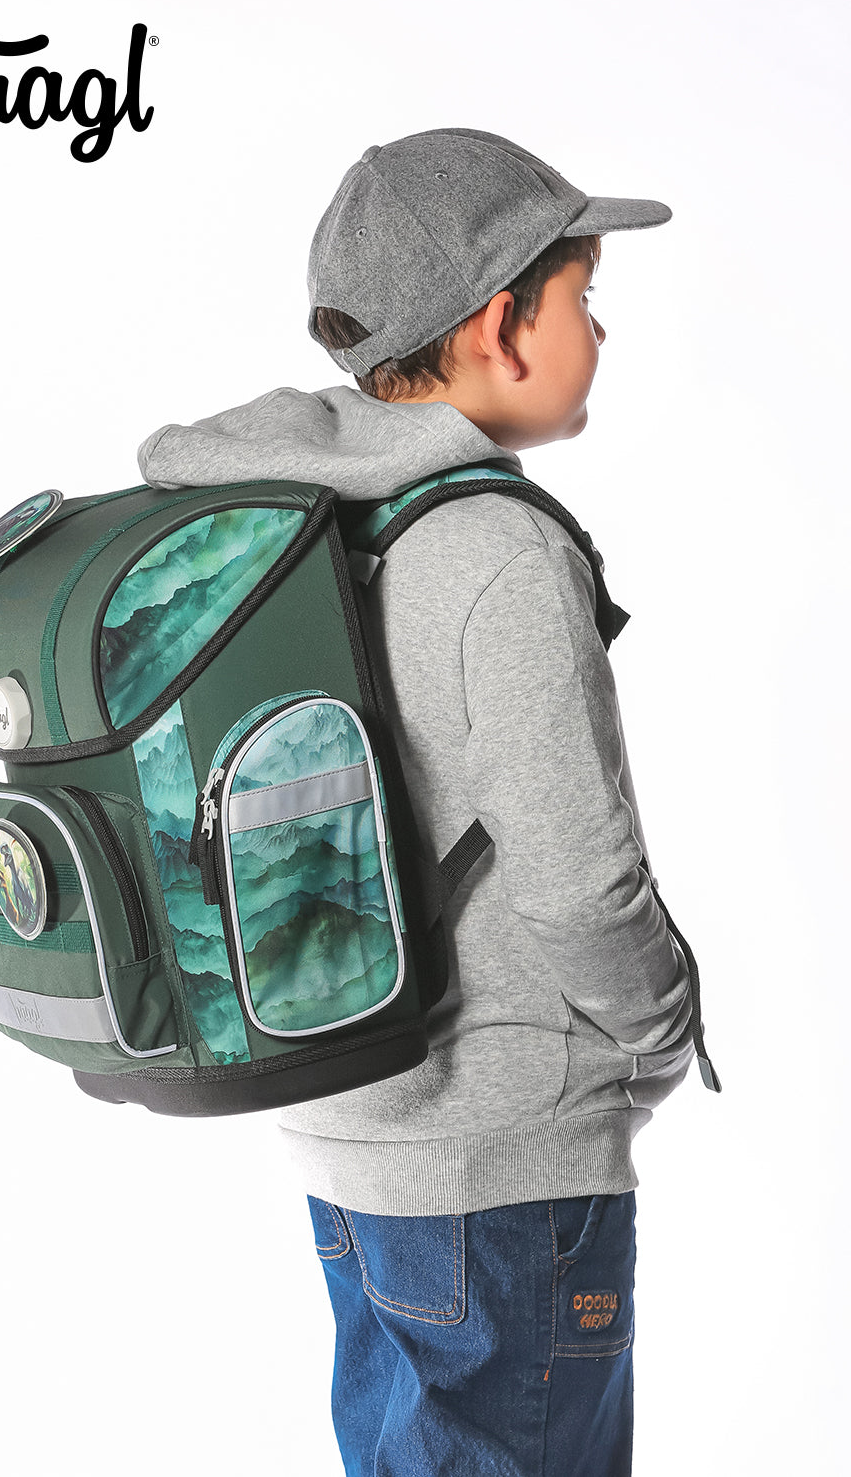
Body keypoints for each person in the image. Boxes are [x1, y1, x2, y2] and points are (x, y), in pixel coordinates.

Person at [137, 127, 708, 1477]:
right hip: (508, 1168)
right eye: (583, 298)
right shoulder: (498, 549)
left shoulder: (286, 523)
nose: (599, 333)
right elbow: (581, 881)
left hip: (347, 1132)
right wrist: (665, 1029)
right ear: (501, 325)